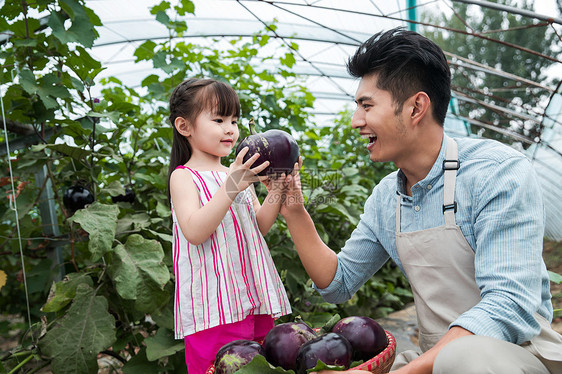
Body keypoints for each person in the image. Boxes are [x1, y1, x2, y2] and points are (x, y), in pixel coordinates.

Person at [280, 28, 562, 374]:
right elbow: (337, 283)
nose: (356, 121)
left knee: (463, 358)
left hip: (515, 355)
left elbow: (508, 304)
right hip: (435, 361)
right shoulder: (387, 197)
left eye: (366, 106)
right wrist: (293, 210)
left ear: (416, 107)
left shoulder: (496, 173)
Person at [167, 78, 291, 374]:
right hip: (215, 307)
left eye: (234, 120)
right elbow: (195, 232)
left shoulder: (235, 173)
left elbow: (257, 228)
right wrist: (233, 183)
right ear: (184, 127)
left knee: (260, 368)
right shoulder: (185, 177)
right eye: (219, 119)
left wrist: (277, 188)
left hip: (252, 298)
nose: (230, 129)